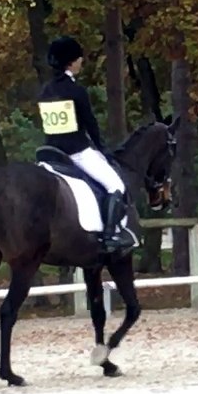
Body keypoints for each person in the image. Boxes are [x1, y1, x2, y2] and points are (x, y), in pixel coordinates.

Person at [37, 35, 137, 253]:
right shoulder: (76, 91)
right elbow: (89, 124)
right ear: (71, 62)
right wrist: (102, 149)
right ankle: (111, 236)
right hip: (76, 152)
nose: (82, 61)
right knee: (115, 185)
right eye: (79, 58)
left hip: (50, 152)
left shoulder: (45, 90)